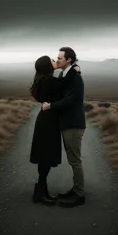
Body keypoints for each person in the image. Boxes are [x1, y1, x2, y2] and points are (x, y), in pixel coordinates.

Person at [29, 55, 80, 205]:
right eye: (52, 60)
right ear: (47, 65)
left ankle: (40, 189)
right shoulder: (49, 81)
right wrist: (75, 69)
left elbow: (62, 83)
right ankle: (40, 192)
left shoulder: (44, 80)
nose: (55, 61)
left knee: (45, 156)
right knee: (46, 156)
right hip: (48, 123)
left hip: (46, 121)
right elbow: (64, 83)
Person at [42, 47, 86, 207]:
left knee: (75, 161)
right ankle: (76, 190)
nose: (57, 60)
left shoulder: (75, 78)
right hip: (67, 123)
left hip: (73, 124)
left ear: (68, 59)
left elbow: (71, 100)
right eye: (57, 58)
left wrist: (50, 106)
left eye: (60, 58)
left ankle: (79, 194)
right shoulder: (65, 74)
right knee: (72, 159)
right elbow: (59, 89)